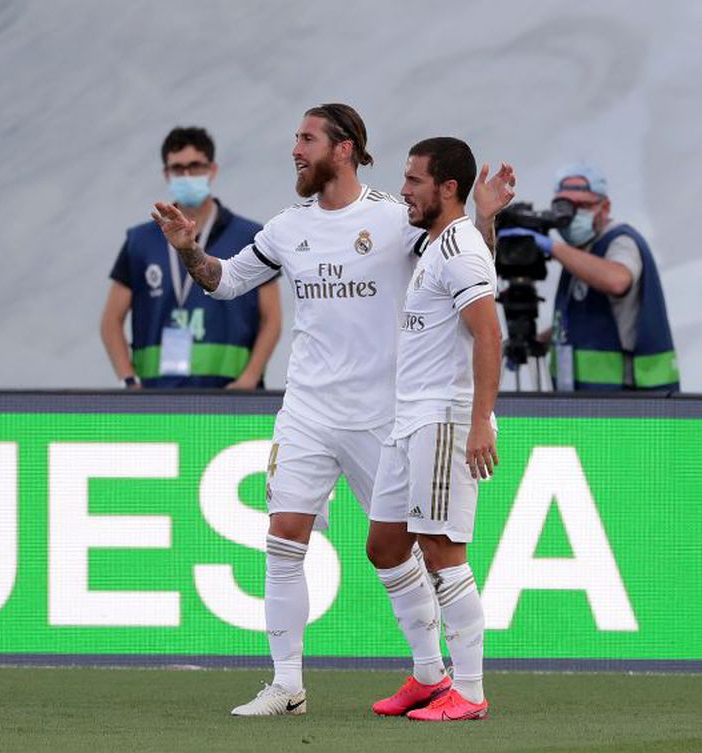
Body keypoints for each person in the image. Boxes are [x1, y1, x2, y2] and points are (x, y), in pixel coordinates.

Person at [153, 105, 513, 716]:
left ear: (344, 149)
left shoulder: (396, 218)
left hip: (387, 413)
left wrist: (484, 216)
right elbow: (225, 280)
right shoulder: (288, 228)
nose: (295, 149)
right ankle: (286, 683)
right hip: (308, 410)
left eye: (307, 139)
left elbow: (467, 261)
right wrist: (190, 251)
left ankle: (433, 672)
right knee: (283, 538)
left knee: (397, 549)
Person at [365, 137, 503, 722]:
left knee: (444, 551)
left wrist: (478, 423)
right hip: (410, 419)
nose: (404, 189)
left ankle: (468, 692)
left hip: (445, 418)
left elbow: (489, 334)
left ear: (447, 187)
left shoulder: (458, 249)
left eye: (415, 180)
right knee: (386, 545)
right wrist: (486, 219)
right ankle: (428, 676)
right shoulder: (444, 243)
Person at [102, 126, 281, 389]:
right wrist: (129, 382)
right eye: (177, 168)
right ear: (166, 174)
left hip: (232, 396)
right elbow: (110, 321)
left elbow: (273, 318)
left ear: (212, 170)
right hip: (156, 398)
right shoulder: (139, 242)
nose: (186, 175)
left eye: (195, 166)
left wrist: (250, 379)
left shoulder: (250, 236)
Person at [501, 163, 678, 391]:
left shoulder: (620, 241)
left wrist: (550, 246)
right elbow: (584, 318)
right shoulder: (581, 248)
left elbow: (617, 281)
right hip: (583, 399)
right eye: (565, 206)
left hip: (624, 400)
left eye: (583, 206)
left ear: (605, 208)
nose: (573, 215)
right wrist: (539, 340)